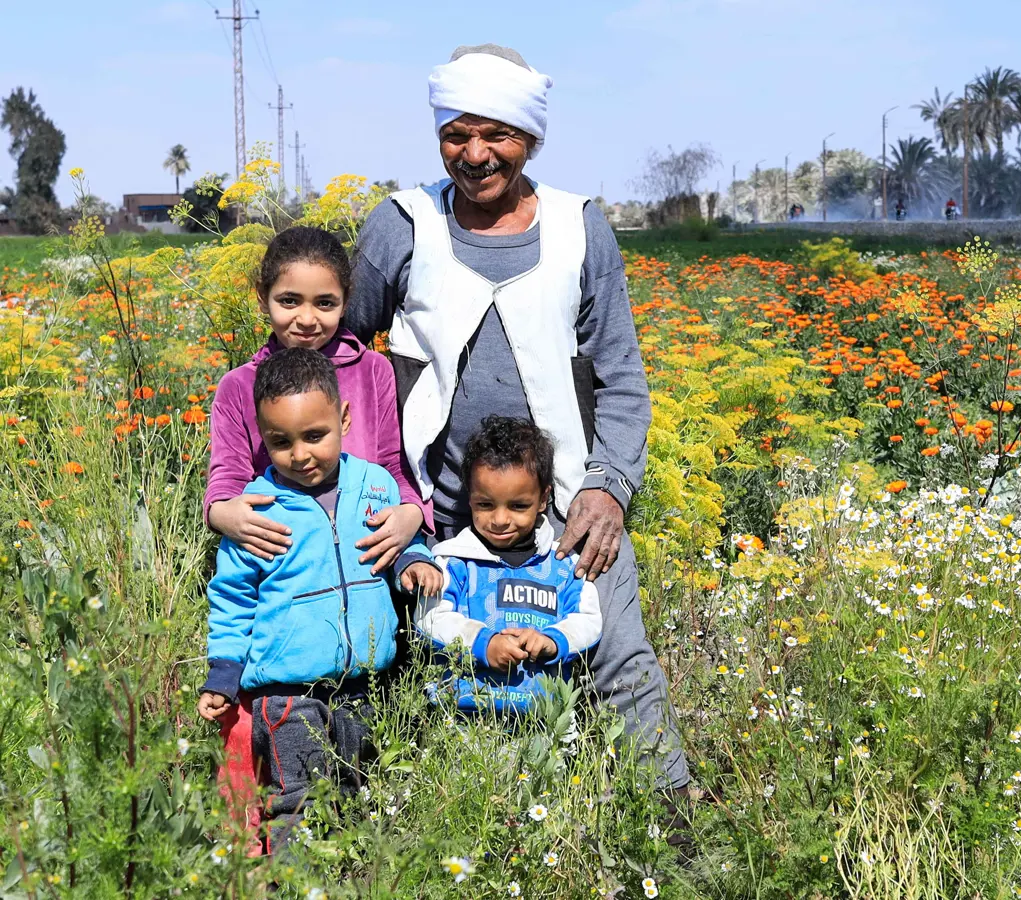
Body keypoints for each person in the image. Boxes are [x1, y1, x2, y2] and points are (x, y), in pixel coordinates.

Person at [345, 44, 689, 793]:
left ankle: (669, 813)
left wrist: (607, 490)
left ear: (530, 137)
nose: (474, 154)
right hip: (437, 520)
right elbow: (340, 359)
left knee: (620, 664)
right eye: (456, 133)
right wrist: (386, 499)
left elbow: (624, 381)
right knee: (418, 668)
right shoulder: (401, 226)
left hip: (566, 506)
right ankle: (430, 807)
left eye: (495, 133)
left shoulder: (579, 228)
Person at [203, 226, 428, 844]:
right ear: (263, 299)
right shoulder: (239, 386)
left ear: (347, 301)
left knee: (363, 775)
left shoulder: (373, 372)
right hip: (285, 573)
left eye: (325, 304)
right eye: (289, 301)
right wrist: (223, 515)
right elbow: (224, 481)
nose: (306, 318)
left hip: (365, 578)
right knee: (288, 781)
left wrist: (413, 517)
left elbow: (393, 466)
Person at [418, 416, 602, 713]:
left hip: (544, 728)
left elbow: (588, 621)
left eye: (518, 506)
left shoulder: (564, 567)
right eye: (485, 504)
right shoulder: (454, 562)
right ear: (470, 497)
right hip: (463, 721)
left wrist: (552, 642)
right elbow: (430, 619)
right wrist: (483, 644)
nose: (500, 520)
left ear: (544, 498)